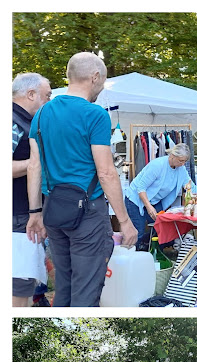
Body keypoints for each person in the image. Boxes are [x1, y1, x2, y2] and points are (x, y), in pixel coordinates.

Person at [26, 52, 137, 307]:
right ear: (95, 77)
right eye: (103, 80)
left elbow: (35, 166)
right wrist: (124, 221)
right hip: (88, 214)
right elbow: (106, 172)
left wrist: (36, 212)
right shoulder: (95, 114)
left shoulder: (42, 114)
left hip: (54, 210)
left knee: (64, 284)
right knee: (86, 290)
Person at [12, 72, 51, 307]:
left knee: (24, 284)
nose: (48, 103)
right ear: (30, 94)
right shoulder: (13, 122)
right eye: (46, 96)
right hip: (17, 217)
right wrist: (37, 163)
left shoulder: (24, 122)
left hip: (21, 215)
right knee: (19, 282)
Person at [124, 142, 197, 250]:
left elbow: (190, 186)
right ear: (172, 156)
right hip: (135, 199)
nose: (183, 164)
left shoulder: (181, 169)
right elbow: (141, 188)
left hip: (154, 200)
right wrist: (148, 206)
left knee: (161, 227)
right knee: (138, 230)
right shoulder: (157, 165)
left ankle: (152, 252)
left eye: (185, 161)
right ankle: (132, 257)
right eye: (181, 160)